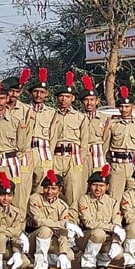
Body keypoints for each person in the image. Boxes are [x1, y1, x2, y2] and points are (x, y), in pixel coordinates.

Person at [27, 170, 82, 269]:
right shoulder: (35, 199)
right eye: (46, 188)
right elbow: (39, 221)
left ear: (60, 189)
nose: (49, 191)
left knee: (69, 255)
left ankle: (44, 259)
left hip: (52, 240)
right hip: (33, 239)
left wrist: (62, 252)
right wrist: (63, 224)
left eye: (53, 188)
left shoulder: (62, 206)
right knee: (45, 230)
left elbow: (63, 231)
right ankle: (40, 266)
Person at [73, 165, 125, 269]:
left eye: (101, 186)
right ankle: (88, 262)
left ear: (107, 187)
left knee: (118, 253)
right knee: (98, 233)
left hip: (107, 238)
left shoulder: (112, 202)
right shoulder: (83, 200)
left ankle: (102, 260)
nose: (97, 189)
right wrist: (112, 227)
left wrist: (116, 242)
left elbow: (117, 223)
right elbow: (88, 223)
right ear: (89, 186)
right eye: (94, 185)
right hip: (87, 237)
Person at [50, 71, 88, 205]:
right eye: (61, 96)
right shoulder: (51, 115)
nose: (64, 99)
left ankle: (73, 219)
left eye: (67, 96)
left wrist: (80, 159)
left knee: (73, 190)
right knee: (53, 189)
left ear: (72, 98)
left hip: (73, 157)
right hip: (56, 156)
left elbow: (84, 141)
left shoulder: (80, 117)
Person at [19, 67, 55, 199]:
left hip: (44, 152)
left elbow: (54, 136)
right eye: (35, 91)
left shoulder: (52, 113)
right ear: (30, 93)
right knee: (24, 183)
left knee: (42, 182)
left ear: (47, 94)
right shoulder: (23, 110)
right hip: (27, 150)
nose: (38, 95)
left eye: (42, 92)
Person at [104, 86, 135, 203]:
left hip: (134, 165)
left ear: (133, 107)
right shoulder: (113, 125)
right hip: (117, 165)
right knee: (114, 197)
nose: (124, 109)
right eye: (121, 107)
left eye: (127, 106)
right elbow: (106, 147)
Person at [0, 78, 27, 196]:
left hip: (11, 164)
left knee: (14, 198)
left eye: (2, 98)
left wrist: (15, 161)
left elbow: (22, 147)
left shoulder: (16, 121)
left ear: (7, 99)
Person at [79, 75, 108, 191]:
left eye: (92, 100)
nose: (89, 103)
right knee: (81, 187)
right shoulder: (78, 118)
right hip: (82, 156)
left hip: (98, 155)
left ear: (97, 101)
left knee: (98, 186)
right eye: (86, 100)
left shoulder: (105, 120)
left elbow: (106, 140)